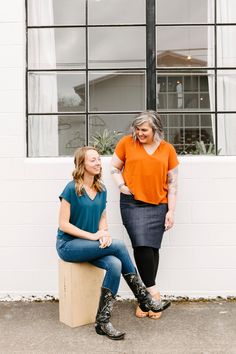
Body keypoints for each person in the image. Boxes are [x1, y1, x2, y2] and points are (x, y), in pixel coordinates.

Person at [56, 146, 171, 341]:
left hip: (90, 246)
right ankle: (144, 297)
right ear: (82, 164)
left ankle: (103, 321)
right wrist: (94, 237)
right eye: (92, 160)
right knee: (118, 246)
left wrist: (105, 234)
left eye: (99, 159)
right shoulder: (71, 188)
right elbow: (63, 224)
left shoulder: (101, 189)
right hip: (69, 245)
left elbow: (102, 219)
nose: (98, 162)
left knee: (115, 263)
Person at [110, 110, 179, 320]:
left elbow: (173, 183)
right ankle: (153, 295)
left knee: (152, 249)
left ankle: (145, 300)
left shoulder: (168, 150)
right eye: (137, 129)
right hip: (132, 204)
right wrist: (121, 185)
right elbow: (114, 167)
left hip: (159, 204)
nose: (139, 133)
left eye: (144, 130)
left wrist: (171, 211)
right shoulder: (126, 143)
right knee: (141, 246)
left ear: (156, 129)